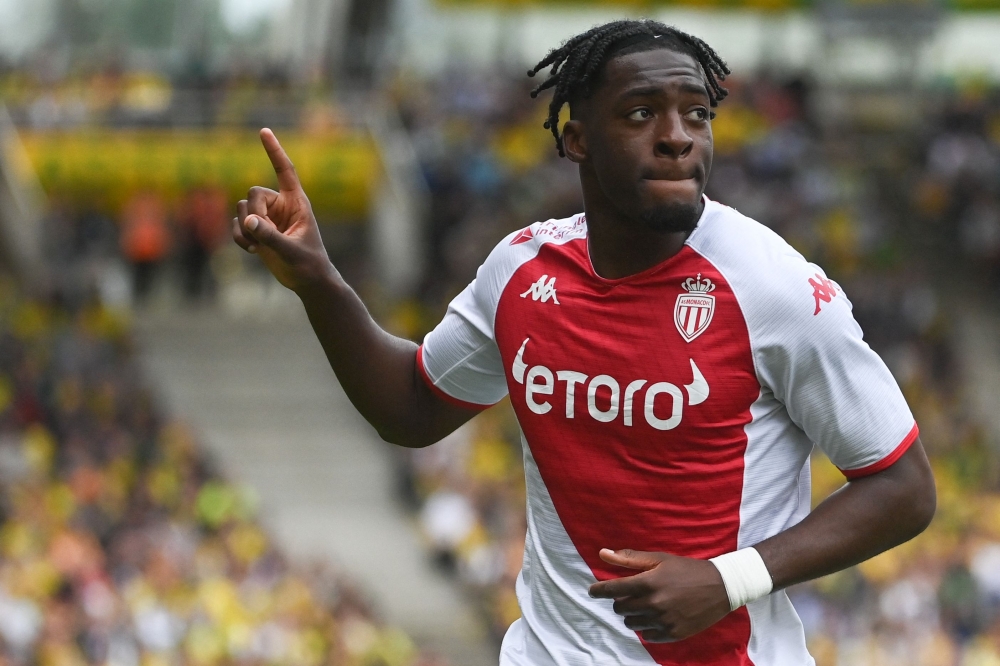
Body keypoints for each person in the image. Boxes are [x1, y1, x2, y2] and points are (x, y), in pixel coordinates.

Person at [231, 19, 936, 666]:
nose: (678, 136)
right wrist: (319, 281)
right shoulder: (521, 271)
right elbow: (412, 408)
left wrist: (731, 579)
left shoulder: (774, 288)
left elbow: (903, 486)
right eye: (641, 113)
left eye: (697, 114)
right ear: (577, 140)